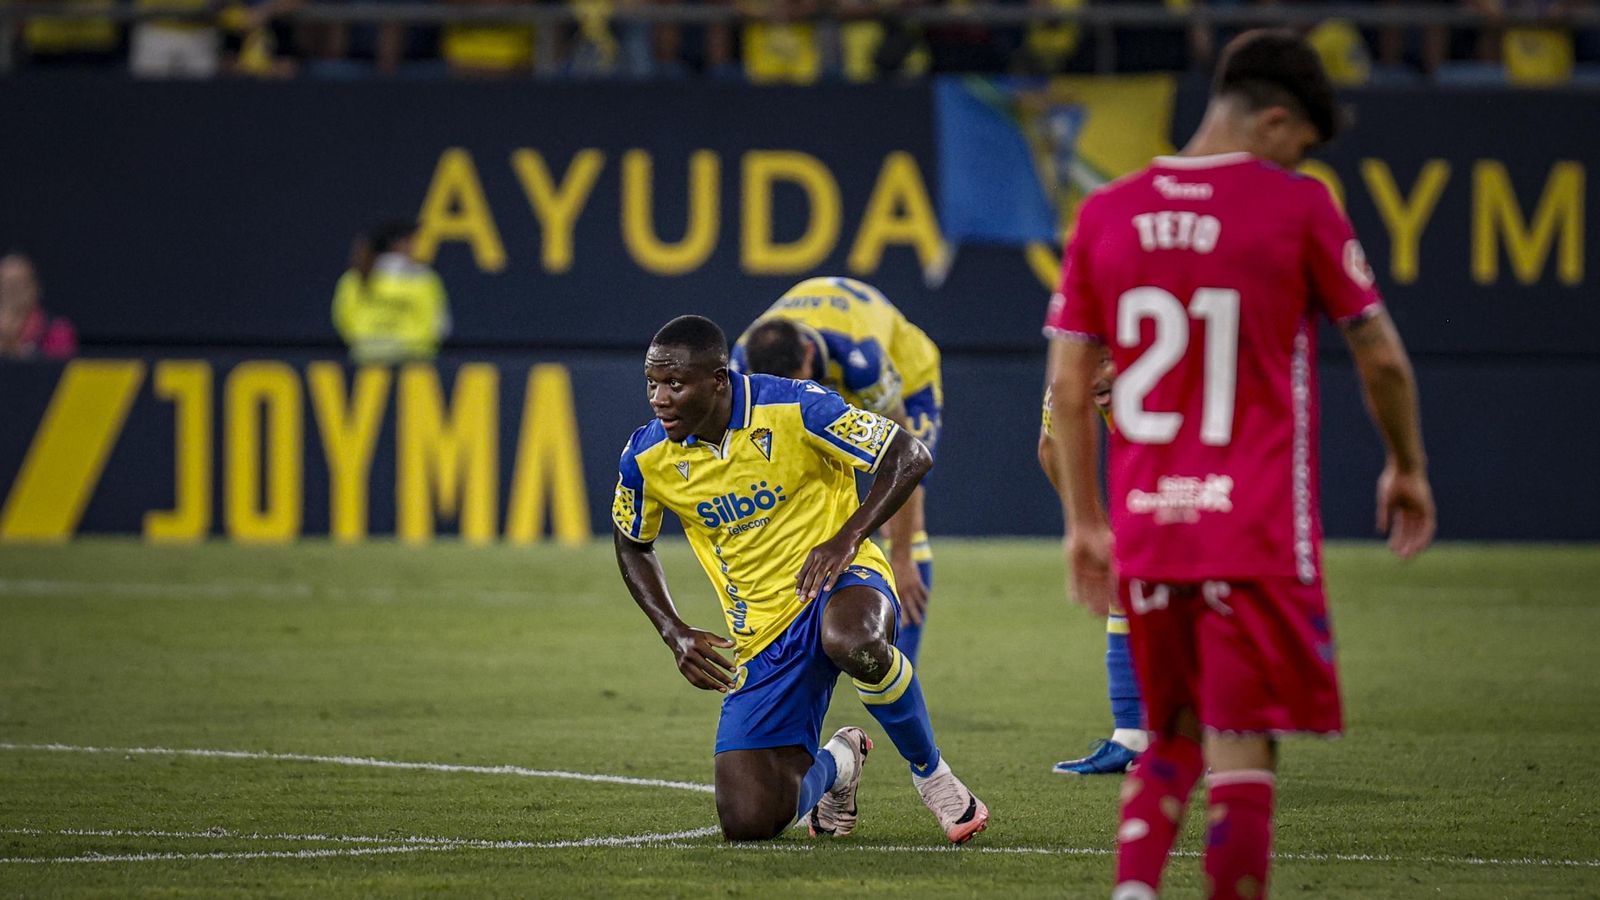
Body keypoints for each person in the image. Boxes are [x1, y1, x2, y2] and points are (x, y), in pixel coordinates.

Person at [1045, 30, 1435, 899]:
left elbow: (1069, 391)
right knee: (1242, 749)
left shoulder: (1104, 213)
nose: (1302, 162)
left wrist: (1083, 524)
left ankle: (1135, 890)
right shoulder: (1296, 209)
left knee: (1169, 740)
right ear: (1270, 119)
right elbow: (1382, 359)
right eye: (1300, 143)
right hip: (1253, 533)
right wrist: (1405, 465)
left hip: (1149, 531)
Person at [613, 315, 987, 843]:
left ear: (718, 379)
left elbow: (909, 454)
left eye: (674, 384)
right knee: (749, 822)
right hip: (763, 629)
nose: (659, 398)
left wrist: (848, 537)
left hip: (841, 579)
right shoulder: (645, 458)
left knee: (853, 641)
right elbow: (632, 541)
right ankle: (839, 764)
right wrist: (673, 629)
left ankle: (934, 776)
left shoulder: (797, 405)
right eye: (652, 384)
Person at [730, 277, 942, 666]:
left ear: (810, 353)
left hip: (908, 377)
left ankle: (896, 663)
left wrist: (902, 558)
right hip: (833, 366)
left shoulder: (864, 360)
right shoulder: (740, 361)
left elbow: (903, 456)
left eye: (799, 383)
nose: (794, 392)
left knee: (904, 523)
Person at [1038, 349, 1147, 775]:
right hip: (1150, 476)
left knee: (1199, 596)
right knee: (1127, 582)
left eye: (1106, 361)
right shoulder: (1068, 385)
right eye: (1090, 363)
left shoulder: (1173, 378)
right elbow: (1050, 447)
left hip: (1215, 477)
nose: (1095, 376)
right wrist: (1089, 522)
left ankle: (1218, 743)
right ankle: (1132, 738)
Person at [331, 222, 451, 365]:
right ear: (399, 244)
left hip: (366, 361)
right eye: (412, 241)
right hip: (413, 364)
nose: (416, 246)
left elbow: (343, 320)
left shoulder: (352, 278)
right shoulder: (424, 279)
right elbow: (440, 325)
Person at [0, 253, 78, 361]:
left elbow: (59, 369)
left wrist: (19, 350)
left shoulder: (57, 331)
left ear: (35, 287)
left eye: (18, 284)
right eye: (6, 285)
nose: (13, 292)